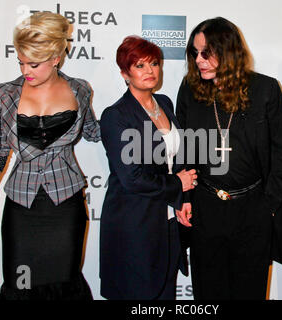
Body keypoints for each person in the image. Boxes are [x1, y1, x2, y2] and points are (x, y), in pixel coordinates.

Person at [0, 12, 101, 300]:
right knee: (21, 283)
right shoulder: (4, 95)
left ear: (56, 57)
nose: (25, 70)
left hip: (66, 206)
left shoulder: (80, 90)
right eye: (20, 61)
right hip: (21, 207)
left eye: (33, 63)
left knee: (64, 281)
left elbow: (95, 131)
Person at [175, 17, 282, 300]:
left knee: (249, 291)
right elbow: (181, 147)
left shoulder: (265, 89)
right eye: (195, 52)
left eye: (207, 52)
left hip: (253, 210)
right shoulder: (191, 89)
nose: (199, 60)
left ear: (228, 51)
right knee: (208, 293)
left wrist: (269, 204)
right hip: (205, 208)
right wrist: (185, 199)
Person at [99, 36, 196, 300]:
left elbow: (176, 159)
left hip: (167, 223)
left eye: (154, 63)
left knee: (165, 295)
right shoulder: (115, 116)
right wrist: (179, 184)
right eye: (139, 66)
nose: (150, 71)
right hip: (134, 225)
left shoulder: (164, 103)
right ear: (124, 73)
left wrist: (181, 199)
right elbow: (132, 179)